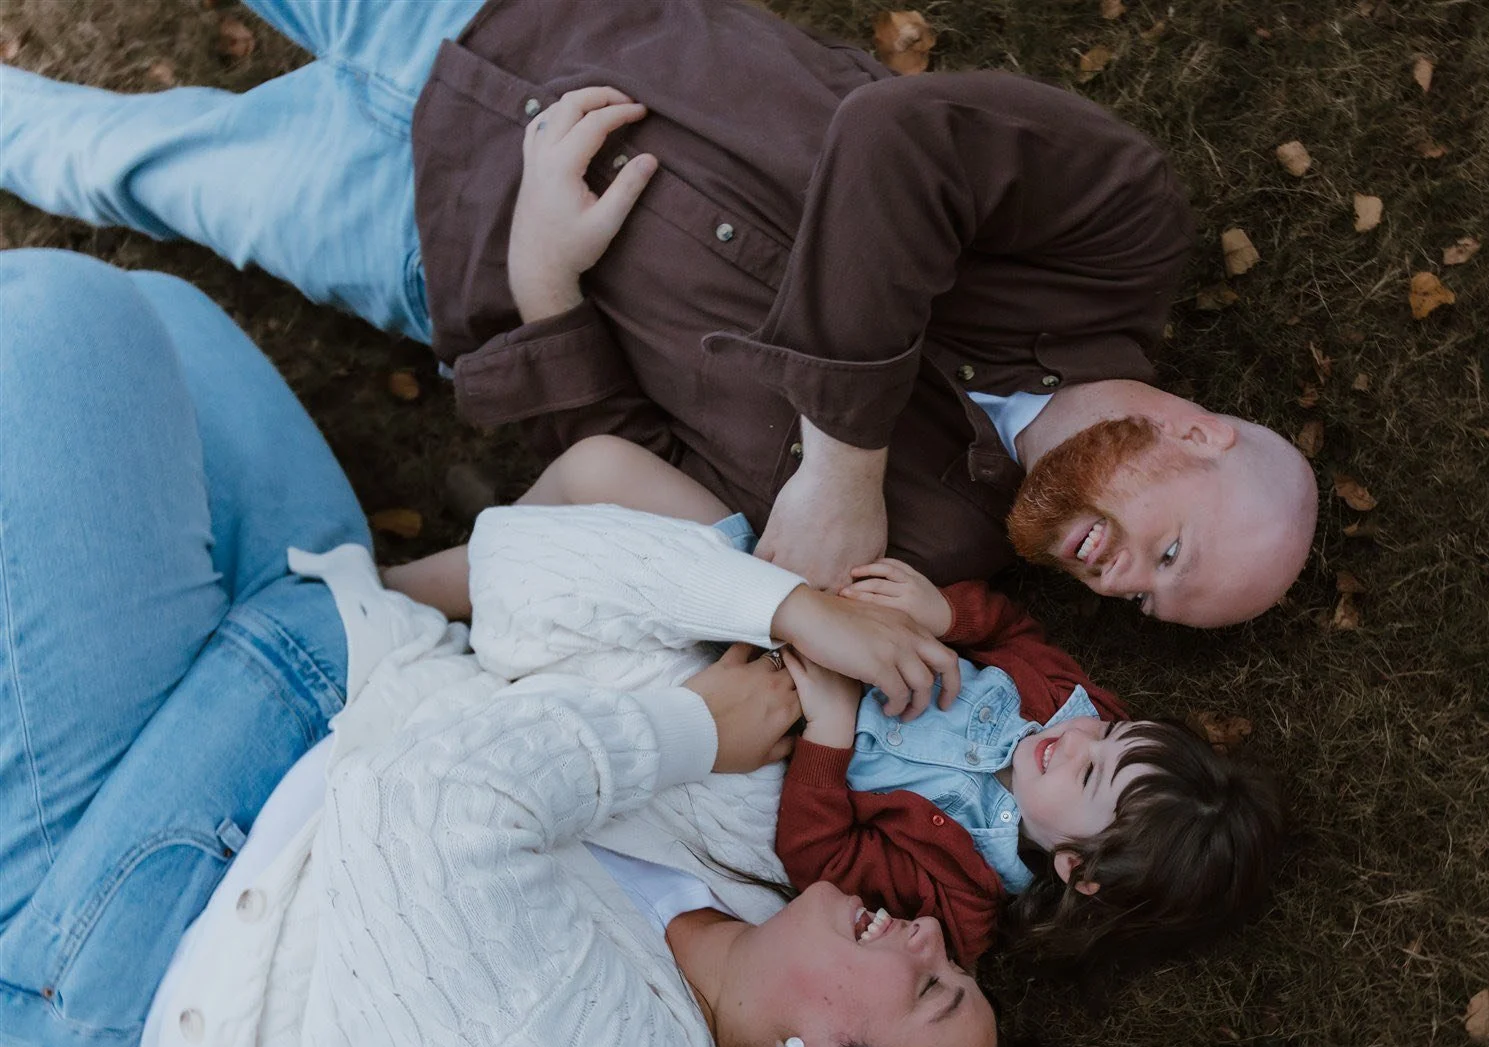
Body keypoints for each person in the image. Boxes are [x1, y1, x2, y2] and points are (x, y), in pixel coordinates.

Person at [0, 249, 1039, 1047]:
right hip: (329, 648)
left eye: (930, 987)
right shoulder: (756, 859)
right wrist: (784, 607)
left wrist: (693, 728)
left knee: (62, 318)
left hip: (133, 879)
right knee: (166, 318)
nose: (927, 935)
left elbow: (423, 809)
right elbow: (545, 577)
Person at [0, 0, 1319, 625]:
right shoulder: (1119, 242)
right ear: (1198, 433)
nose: (1122, 580)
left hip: (423, 236)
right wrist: (843, 463)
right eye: (1171, 553)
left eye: (1149, 604)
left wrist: (542, 281)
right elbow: (900, 141)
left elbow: (628, 470)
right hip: (551, 30)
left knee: (96, 164)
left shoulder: (930, 552)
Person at [388, 436, 1287, 971]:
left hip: (752, 716)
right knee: (603, 469)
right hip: (782, 599)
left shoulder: (958, 898)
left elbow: (821, 855)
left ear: (1077, 870)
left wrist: (827, 730)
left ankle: (430, 606)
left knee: (569, 620)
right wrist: (941, 613)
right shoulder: (1064, 701)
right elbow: (1008, 628)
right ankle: (443, 573)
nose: (1078, 736)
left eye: (1091, 775)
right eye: (1115, 732)